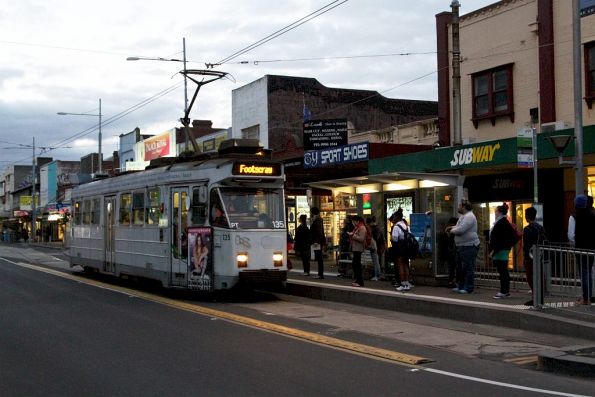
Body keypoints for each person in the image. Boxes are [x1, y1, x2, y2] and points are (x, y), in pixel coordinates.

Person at [446, 199, 480, 294]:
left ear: (464, 207)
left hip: (469, 245)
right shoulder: (464, 216)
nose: (458, 207)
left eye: (459, 205)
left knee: (468, 267)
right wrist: (452, 227)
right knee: (460, 268)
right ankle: (461, 286)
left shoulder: (469, 217)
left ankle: (468, 287)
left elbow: (461, 230)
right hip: (462, 246)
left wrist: (451, 230)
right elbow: (458, 227)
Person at [488, 203, 517, 299]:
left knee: (502, 271)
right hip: (502, 249)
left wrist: (493, 250)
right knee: (503, 271)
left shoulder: (501, 222)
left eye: (495, 211)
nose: (495, 213)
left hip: (500, 250)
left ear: (499, 212)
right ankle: (505, 291)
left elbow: (499, 239)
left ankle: (504, 291)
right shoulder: (503, 222)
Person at [573, 194, 595, 305]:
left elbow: (576, 235)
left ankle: (586, 298)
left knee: (584, 273)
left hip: (581, 248)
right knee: (589, 272)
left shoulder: (578, 216)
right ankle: (589, 296)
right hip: (591, 248)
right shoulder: (592, 214)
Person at [523, 206, 546, 306]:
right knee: (539, 277)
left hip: (531, 257)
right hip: (539, 256)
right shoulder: (540, 227)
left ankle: (535, 298)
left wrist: (526, 257)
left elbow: (527, 245)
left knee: (531, 277)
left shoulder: (527, 229)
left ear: (527, 216)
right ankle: (539, 298)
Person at [391, 208, 413, 291]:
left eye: (394, 216)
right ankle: (407, 283)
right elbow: (410, 235)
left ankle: (402, 283)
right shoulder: (406, 225)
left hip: (399, 247)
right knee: (406, 265)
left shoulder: (396, 226)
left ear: (397, 217)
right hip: (406, 247)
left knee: (400, 265)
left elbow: (394, 238)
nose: (393, 218)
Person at [348, 215, 366, 287]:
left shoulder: (362, 228)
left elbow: (361, 238)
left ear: (357, 221)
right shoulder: (357, 227)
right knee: (355, 264)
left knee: (357, 265)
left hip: (359, 248)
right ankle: (357, 280)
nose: (353, 223)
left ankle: (360, 281)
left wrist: (353, 235)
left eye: (353, 221)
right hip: (356, 248)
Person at [367, 216, 386, 281]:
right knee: (377, 262)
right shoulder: (377, 228)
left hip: (376, 247)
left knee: (376, 262)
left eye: (368, 224)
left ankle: (377, 275)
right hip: (378, 247)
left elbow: (376, 239)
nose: (368, 226)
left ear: (371, 223)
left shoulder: (375, 229)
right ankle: (378, 275)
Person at [310, 207, 326, 279]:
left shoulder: (318, 220)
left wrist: (316, 241)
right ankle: (320, 274)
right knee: (319, 258)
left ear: (313, 212)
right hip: (318, 241)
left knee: (319, 258)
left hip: (317, 241)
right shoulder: (317, 219)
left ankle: (320, 274)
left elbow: (319, 231)